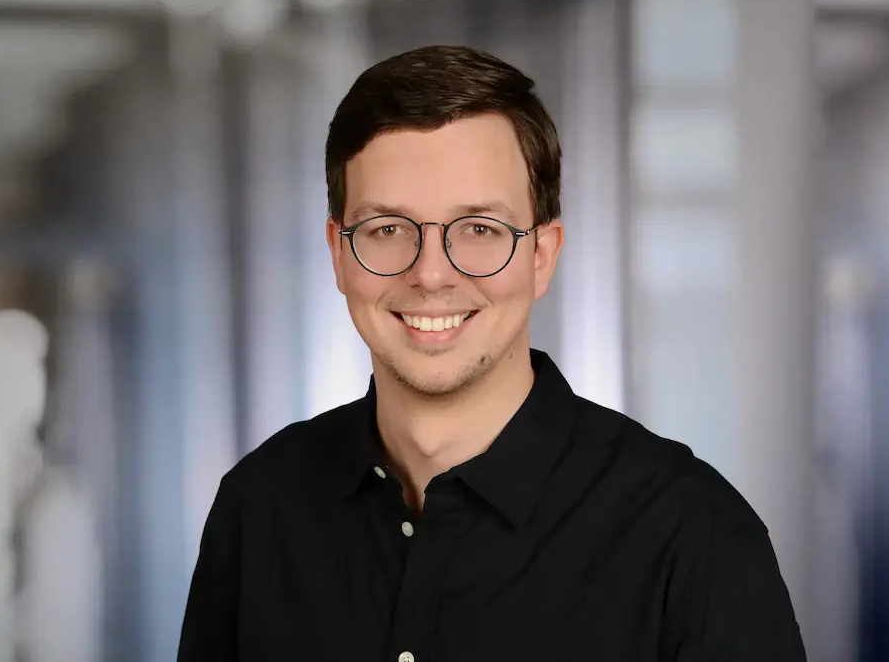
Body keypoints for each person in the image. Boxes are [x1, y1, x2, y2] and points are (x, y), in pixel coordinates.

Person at [178, 45, 807, 662]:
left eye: (479, 230)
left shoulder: (692, 535)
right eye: (387, 230)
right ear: (338, 253)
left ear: (543, 256)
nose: (430, 275)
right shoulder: (258, 510)